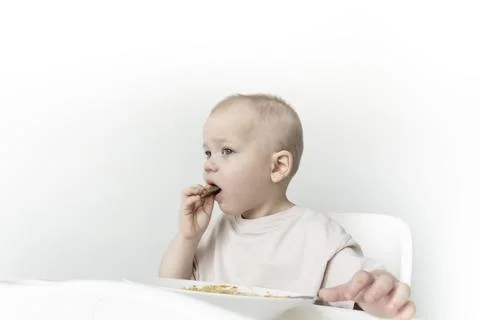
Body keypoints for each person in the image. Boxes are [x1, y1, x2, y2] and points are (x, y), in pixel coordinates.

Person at [159, 93, 416, 319]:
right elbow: (169, 294)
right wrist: (187, 237)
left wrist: (379, 298)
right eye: (208, 152)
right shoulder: (213, 233)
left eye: (226, 150)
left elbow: (361, 289)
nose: (209, 164)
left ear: (277, 166)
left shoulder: (316, 237)